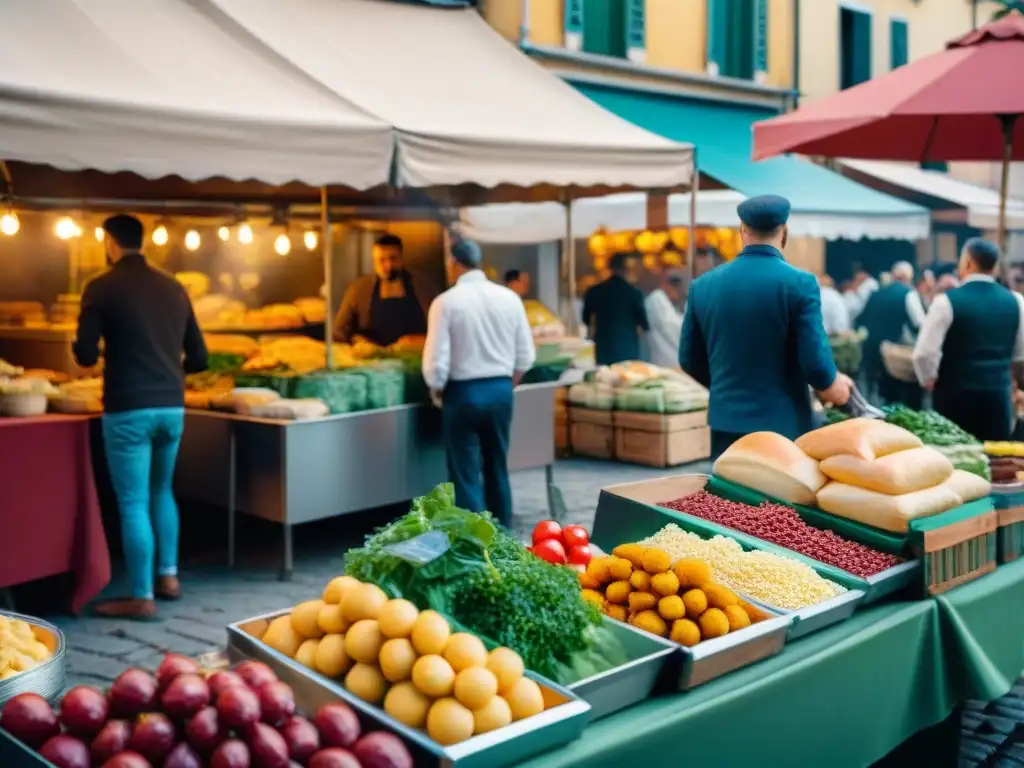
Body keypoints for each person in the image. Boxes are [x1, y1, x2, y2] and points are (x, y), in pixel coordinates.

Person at [72, 215, 208, 620]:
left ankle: (142, 595)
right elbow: (199, 358)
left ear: (109, 242)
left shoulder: (100, 287)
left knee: (133, 503)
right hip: (172, 406)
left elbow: (85, 354)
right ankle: (169, 577)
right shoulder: (173, 286)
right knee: (162, 491)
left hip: (128, 407)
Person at [679, 195, 852, 458]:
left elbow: (689, 359)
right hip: (783, 425)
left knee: (729, 497)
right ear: (784, 232)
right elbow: (816, 366)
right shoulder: (800, 283)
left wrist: (728, 388)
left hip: (725, 422)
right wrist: (835, 385)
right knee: (776, 499)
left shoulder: (702, 285)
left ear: (742, 231)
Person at [422, 237, 535, 528]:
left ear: (454, 264)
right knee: (498, 467)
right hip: (500, 391)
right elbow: (526, 356)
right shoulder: (509, 298)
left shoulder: (446, 302)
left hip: (463, 393)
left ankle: (475, 542)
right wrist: (505, 386)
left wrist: (437, 391)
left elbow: (436, 364)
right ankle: (503, 535)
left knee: (465, 473)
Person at [913, 238, 1024, 441]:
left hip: (954, 395)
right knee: (995, 461)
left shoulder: (946, 302)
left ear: (968, 263)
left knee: (956, 458)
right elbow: (1020, 355)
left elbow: (924, 353)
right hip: (997, 395)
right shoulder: (1016, 301)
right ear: (995, 266)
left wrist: (929, 378)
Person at [333, 233, 431, 347]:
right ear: (374, 262)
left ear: (401, 258)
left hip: (414, 358)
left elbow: (441, 328)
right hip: (371, 361)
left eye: (393, 258)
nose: (388, 265)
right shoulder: (358, 290)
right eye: (382, 260)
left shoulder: (424, 287)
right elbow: (339, 334)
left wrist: (418, 340)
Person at [858, 260, 926, 405]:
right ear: (907, 277)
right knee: (899, 398)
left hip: (872, 350)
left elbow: (861, 319)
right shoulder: (909, 294)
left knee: (877, 394)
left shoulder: (876, 294)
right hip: (895, 354)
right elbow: (919, 324)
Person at [582, 252, 649, 365]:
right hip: (628, 347)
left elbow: (586, 318)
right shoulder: (633, 293)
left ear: (610, 268)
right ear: (626, 269)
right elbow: (643, 323)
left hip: (604, 346)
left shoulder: (595, 291)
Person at [645, 270, 686, 368]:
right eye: (677, 289)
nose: (678, 294)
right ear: (668, 286)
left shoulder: (668, 301)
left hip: (671, 359)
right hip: (666, 360)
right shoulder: (656, 298)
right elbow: (671, 325)